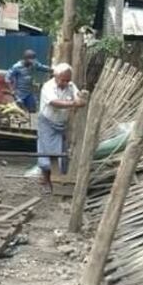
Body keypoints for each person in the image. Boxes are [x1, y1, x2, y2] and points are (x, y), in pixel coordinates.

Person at [37, 63, 86, 193]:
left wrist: (80, 98)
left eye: (67, 80)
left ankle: (59, 180)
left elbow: (77, 96)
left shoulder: (71, 86)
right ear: (55, 76)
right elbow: (54, 103)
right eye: (62, 80)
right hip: (47, 122)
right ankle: (46, 182)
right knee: (47, 153)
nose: (65, 82)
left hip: (61, 124)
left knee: (62, 154)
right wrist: (74, 104)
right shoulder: (48, 87)